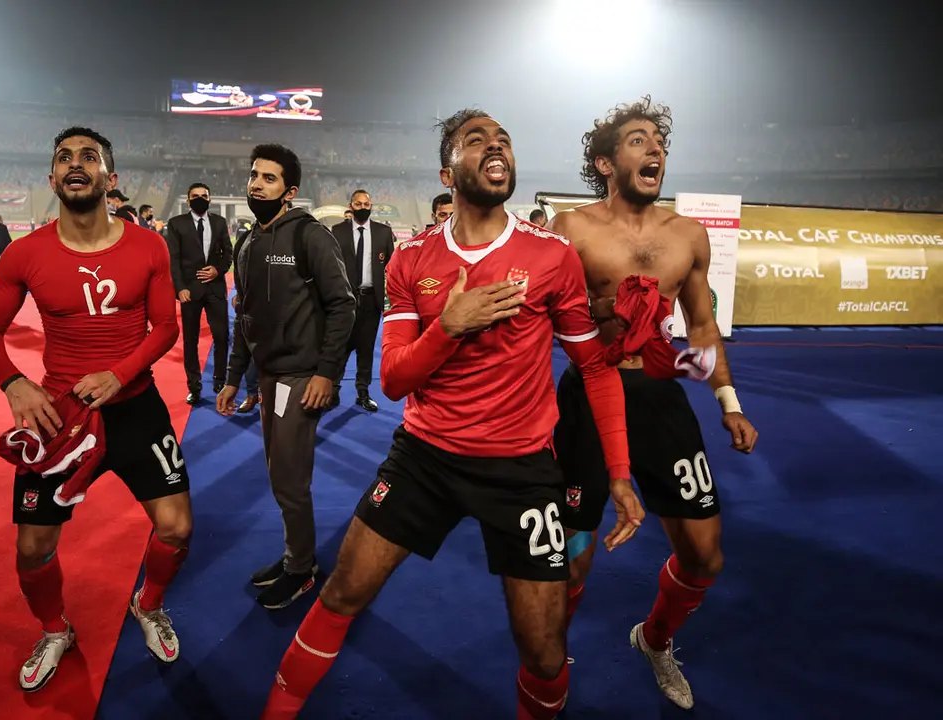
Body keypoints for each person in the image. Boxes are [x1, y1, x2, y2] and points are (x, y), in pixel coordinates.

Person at [259, 109, 644, 720]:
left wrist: (618, 471)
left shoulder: (551, 257)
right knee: (341, 593)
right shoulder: (411, 260)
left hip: (521, 471)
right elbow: (392, 380)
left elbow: (595, 368)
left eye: (503, 140)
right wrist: (451, 327)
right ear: (448, 169)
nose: (496, 146)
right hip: (424, 460)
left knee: (544, 654)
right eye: (476, 140)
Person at [550, 96, 759, 710]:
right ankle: (549, 658)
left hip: (660, 397)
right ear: (606, 163)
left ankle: (655, 638)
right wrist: (596, 315)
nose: (655, 149)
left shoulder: (688, 236)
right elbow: (541, 319)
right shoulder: (570, 229)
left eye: (658, 141)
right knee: (573, 554)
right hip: (589, 397)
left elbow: (700, 327)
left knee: (704, 553)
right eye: (637, 140)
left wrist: (728, 400)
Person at [0, 126, 193, 692]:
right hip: (60, 417)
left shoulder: (149, 245)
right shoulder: (25, 253)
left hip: (137, 409)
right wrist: (14, 383)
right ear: (52, 178)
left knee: (177, 528)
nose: (76, 164)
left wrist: (120, 372)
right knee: (32, 547)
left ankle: (149, 605)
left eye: (88, 157)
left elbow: (167, 325)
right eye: (64, 157)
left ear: (109, 179)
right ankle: (54, 629)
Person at [217, 144, 354, 610]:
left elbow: (343, 305)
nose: (256, 183)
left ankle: (301, 569)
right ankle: (295, 554)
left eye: (269, 178)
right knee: (280, 476)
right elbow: (245, 316)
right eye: (253, 174)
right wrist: (236, 377)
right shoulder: (248, 242)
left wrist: (327, 374)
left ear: (290, 191)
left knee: (290, 481)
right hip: (269, 379)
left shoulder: (310, 236)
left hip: (302, 377)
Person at [165, 182, 233, 404]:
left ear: (210, 199)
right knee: (190, 341)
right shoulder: (176, 224)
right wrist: (180, 288)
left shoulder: (220, 223)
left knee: (222, 337)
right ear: (188, 200)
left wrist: (218, 269)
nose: (200, 198)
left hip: (215, 289)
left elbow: (228, 254)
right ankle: (194, 387)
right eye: (195, 196)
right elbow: (173, 259)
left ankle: (220, 380)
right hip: (189, 292)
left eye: (204, 195)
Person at [329, 189, 395, 412]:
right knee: (341, 347)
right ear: (351, 205)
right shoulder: (337, 231)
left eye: (367, 204)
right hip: (344, 301)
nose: (364, 207)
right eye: (359, 204)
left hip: (370, 301)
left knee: (366, 350)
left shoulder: (383, 232)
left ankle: (363, 393)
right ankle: (333, 390)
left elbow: (392, 267)